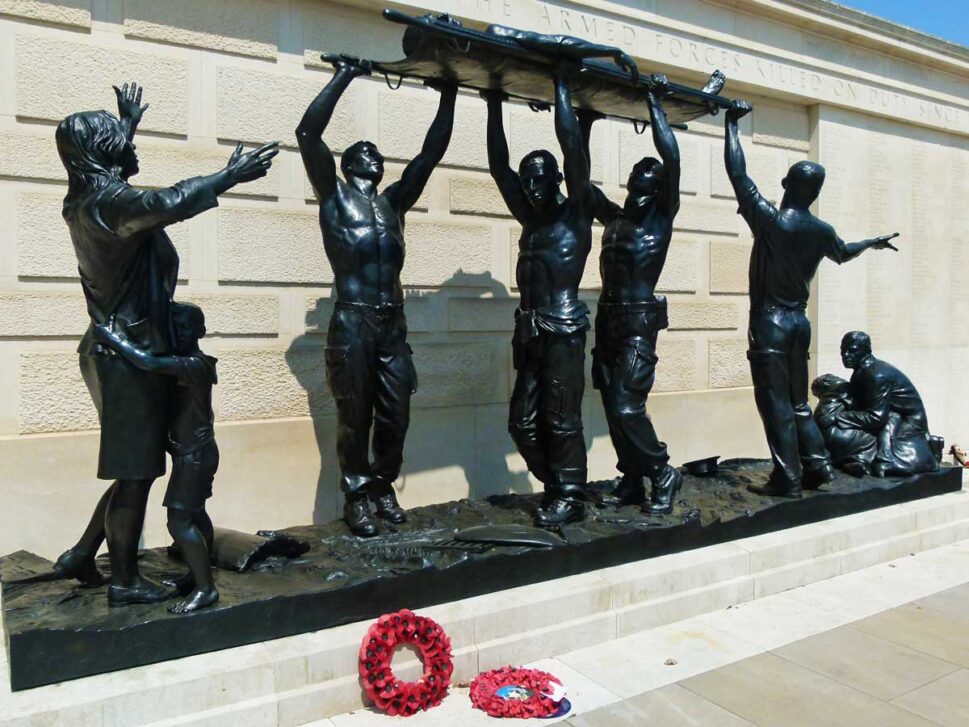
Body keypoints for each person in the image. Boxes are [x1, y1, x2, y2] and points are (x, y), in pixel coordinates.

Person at [52, 82, 277, 604]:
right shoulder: (107, 206)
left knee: (137, 465)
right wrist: (229, 175)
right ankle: (125, 582)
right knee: (136, 475)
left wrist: (125, 127)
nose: (132, 148)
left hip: (124, 352)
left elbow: (120, 177)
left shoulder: (90, 197)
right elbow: (166, 201)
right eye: (121, 141)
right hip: (130, 357)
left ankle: (86, 552)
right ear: (104, 153)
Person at [297, 55, 456, 537]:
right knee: (354, 416)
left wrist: (449, 92)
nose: (374, 152)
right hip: (353, 320)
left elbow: (430, 154)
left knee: (395, 413)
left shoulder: (392, 204)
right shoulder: (335, 198)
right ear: (348, 164)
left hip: (392, 324)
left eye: (376, 150)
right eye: (364, 149)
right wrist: (345, 75)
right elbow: (307, 134)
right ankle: (358, 496)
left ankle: (383, 484)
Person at [723, 99, 900, 499]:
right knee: (799, 403)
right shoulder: (821, 230)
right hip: (799, 324)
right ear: (815, 192)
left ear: (786, 184)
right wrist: (871, 242)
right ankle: (817, 467)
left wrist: (732, 125)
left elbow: (737, 173)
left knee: (776, 405)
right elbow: (843, 252)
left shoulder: (771, 221)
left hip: (770, 322)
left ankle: (786, 479)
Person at [483, 60, 595, 527]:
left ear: (557, 180)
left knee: (561, 417)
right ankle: (563, 486)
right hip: (529, 333)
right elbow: (497, 167)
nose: (529, 185)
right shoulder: (530, 220)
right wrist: (492, 102)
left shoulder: (577, 214)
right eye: (527, 178)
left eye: (539, 178)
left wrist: (562, 86)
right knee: (522, 423)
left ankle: (568, 492)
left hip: (564, 329)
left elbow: (572, 148)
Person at [577, 74, 684, 515]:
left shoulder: (660, 217)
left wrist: (654, 101)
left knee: (626, 405)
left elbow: (671, 156)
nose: (642, 173)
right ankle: (633, 477)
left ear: (658, 186)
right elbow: (579, 179)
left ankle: (660, 471)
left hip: (640, 321)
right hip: (607, 318)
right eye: (638, 170)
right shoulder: (615, 218)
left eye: (650, 173)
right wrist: (584, 124)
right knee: (609, 401)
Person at [94, 302, 220, 614]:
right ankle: (197, 575)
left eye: (186, 327)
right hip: (192, 453)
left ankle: (206, 589)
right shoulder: (184, 360)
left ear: (201, 331)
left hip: (194, 456)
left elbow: (148, 362)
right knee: (196, 515)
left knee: (179, 520)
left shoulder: (193, 364)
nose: (179, 332)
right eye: (174, 327)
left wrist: (114, 341)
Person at [837, 331, 940, 477]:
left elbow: (877, 417)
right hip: (885, 417)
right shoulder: (861, 372)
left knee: (877, 452)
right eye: (843, 351)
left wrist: (840, 417)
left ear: (866, 351)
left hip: (905, 422)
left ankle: (884, 459)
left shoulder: (876, 375)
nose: (845, 355)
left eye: (852, 350)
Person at [811, 373, 877, 476]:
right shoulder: (843, 389)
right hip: (842, 434)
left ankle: (850, 464)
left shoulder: (824, 403)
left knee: (843, 451)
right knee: (873, 440)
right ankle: (861, 461)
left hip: (823, 438)